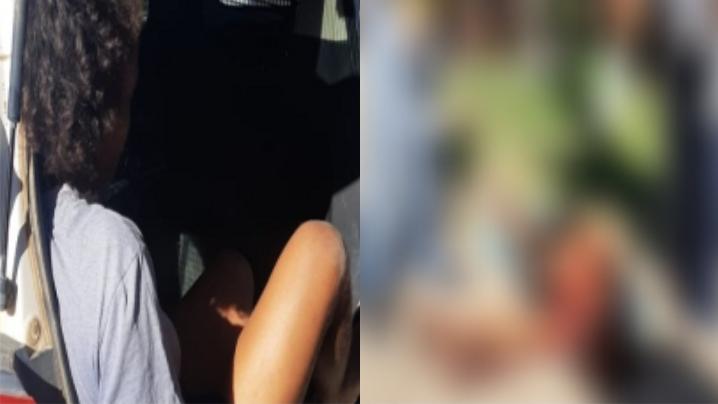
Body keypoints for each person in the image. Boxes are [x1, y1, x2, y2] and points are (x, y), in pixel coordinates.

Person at [21, 0, 356, 402]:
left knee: (234, 273)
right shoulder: (112, 249)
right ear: (100, 118)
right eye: (128, 102)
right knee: (321, 247)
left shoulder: (31, 215)